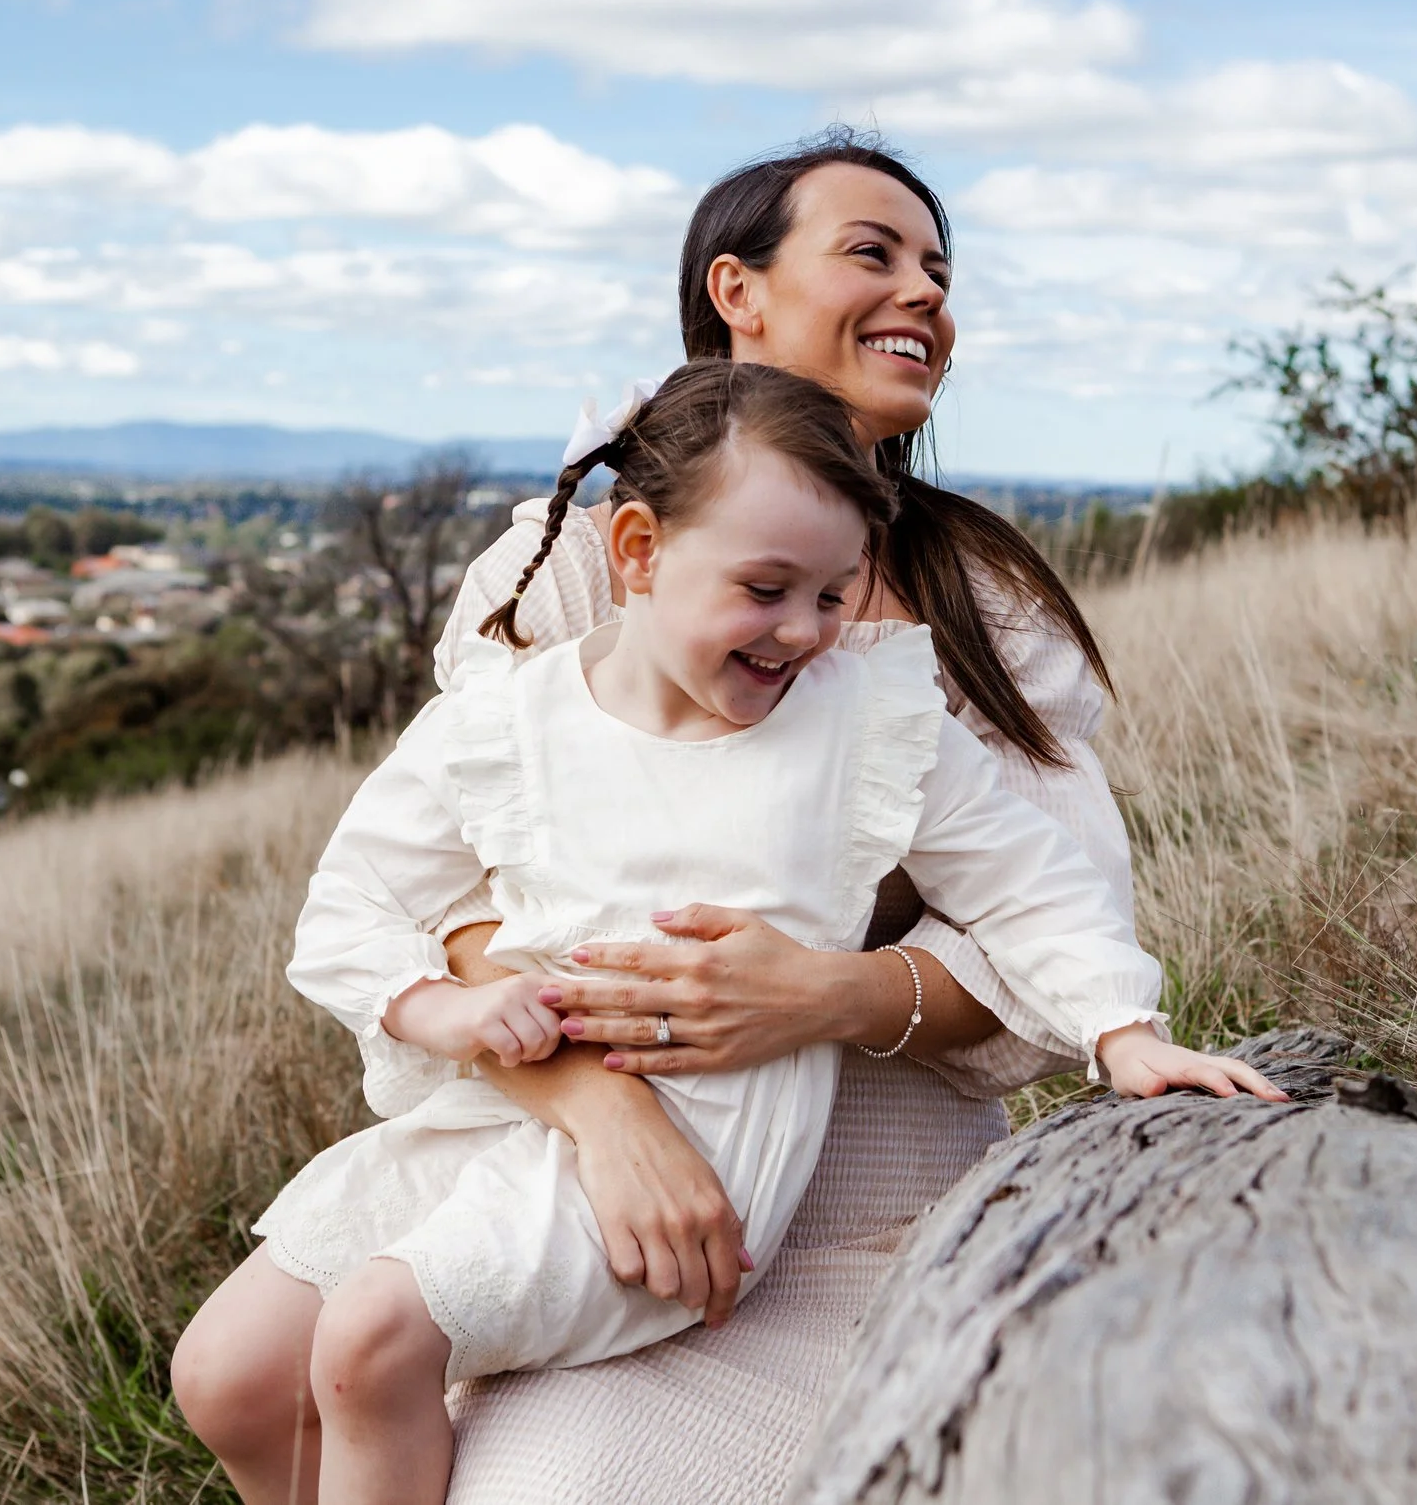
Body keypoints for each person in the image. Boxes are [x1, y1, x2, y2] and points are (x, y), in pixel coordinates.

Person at [172, 133, 1170, 1505]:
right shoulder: (574, 569)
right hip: (560, 1133)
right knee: (237, 1377)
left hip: (851, 1193)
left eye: (942, 270)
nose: (926, 293)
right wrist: (595, 1104)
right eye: (874, 254)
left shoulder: (978, 609)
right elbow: (443, 895)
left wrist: (826, 993)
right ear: (736, 291)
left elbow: (1062, 932)